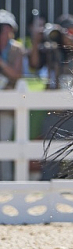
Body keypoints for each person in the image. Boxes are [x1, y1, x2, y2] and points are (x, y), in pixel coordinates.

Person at [0, 9, 23, 180]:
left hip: (7, 107)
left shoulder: (16, 48)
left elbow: (16, 74)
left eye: (6, 28)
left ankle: (6, 182)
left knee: (5, 145)